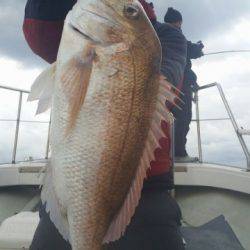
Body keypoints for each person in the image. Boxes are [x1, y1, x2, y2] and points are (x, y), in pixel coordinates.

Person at [23, 1, 185, 249]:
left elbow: (166, 80)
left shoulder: (165, 35)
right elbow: (39, 32)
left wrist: (121, 68)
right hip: (71, 185)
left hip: (151, 192)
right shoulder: (79, 23)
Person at [162, 7, 204, 162]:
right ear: (178, 22)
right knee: (183, 117)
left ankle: (165, 155)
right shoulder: (175, 35)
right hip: (179, 85)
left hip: (166, 86)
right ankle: (179, 154)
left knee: (168, 119)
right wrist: (199, 48)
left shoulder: (161, 34)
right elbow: (190, 50)